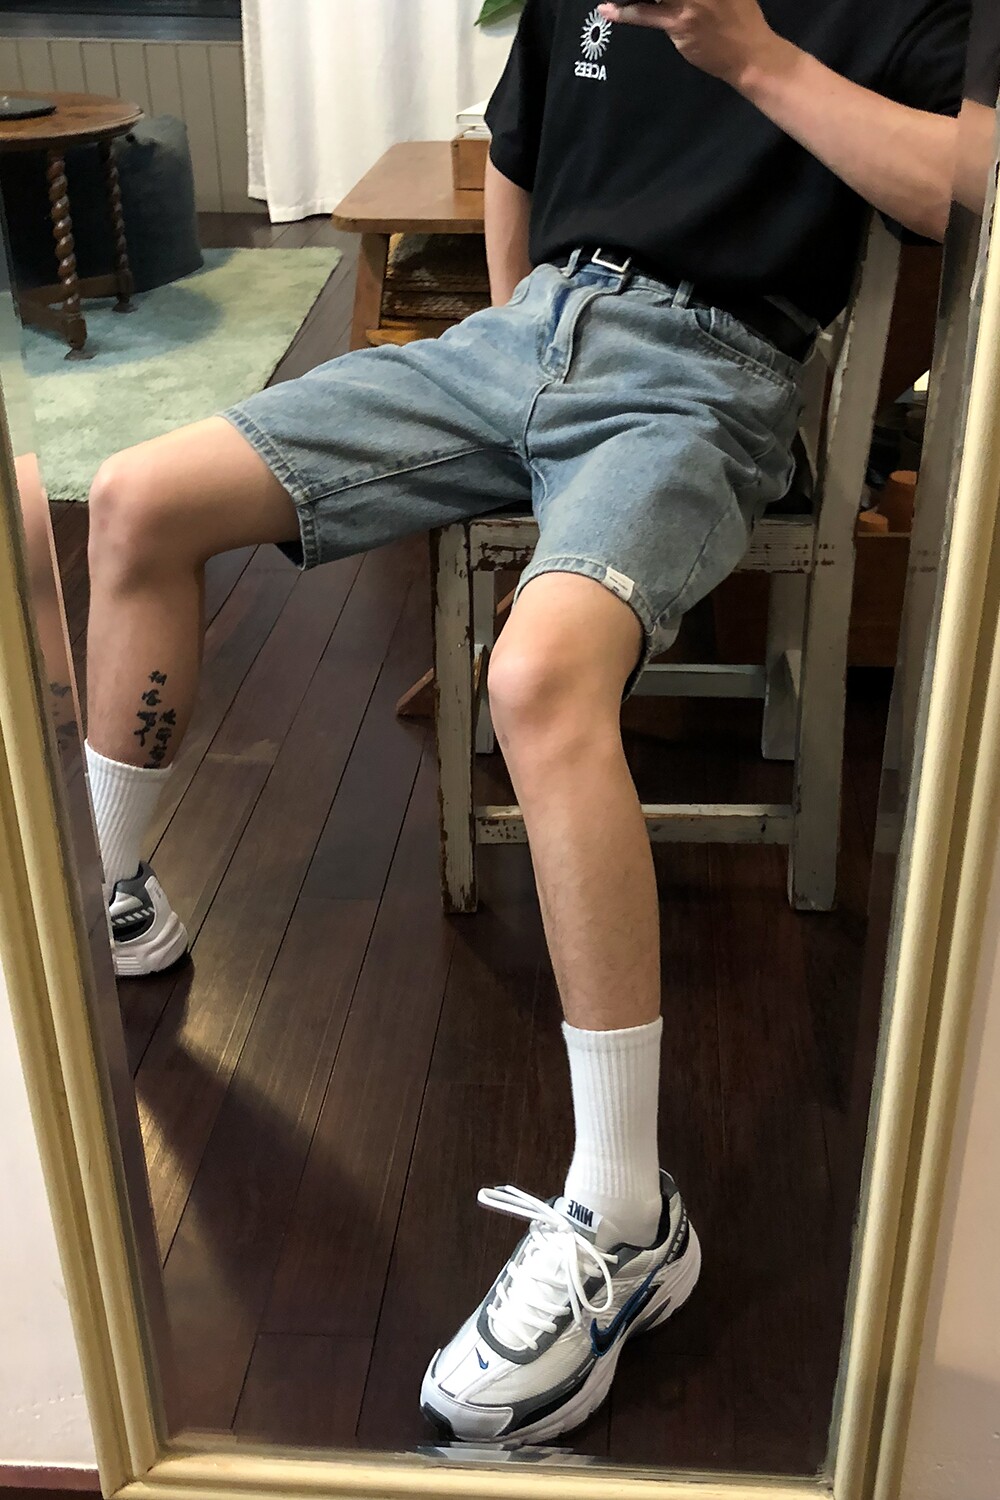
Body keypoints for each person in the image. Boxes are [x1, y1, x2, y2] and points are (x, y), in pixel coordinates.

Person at [83, 0, 967, 1447]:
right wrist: (516, 358)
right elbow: (518, 154)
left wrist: (748, 51)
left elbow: (965, 180)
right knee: (133, 499)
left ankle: (626, 1216)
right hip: (519, 337)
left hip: (710, 371)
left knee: (537, 675)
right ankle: (110, 894)